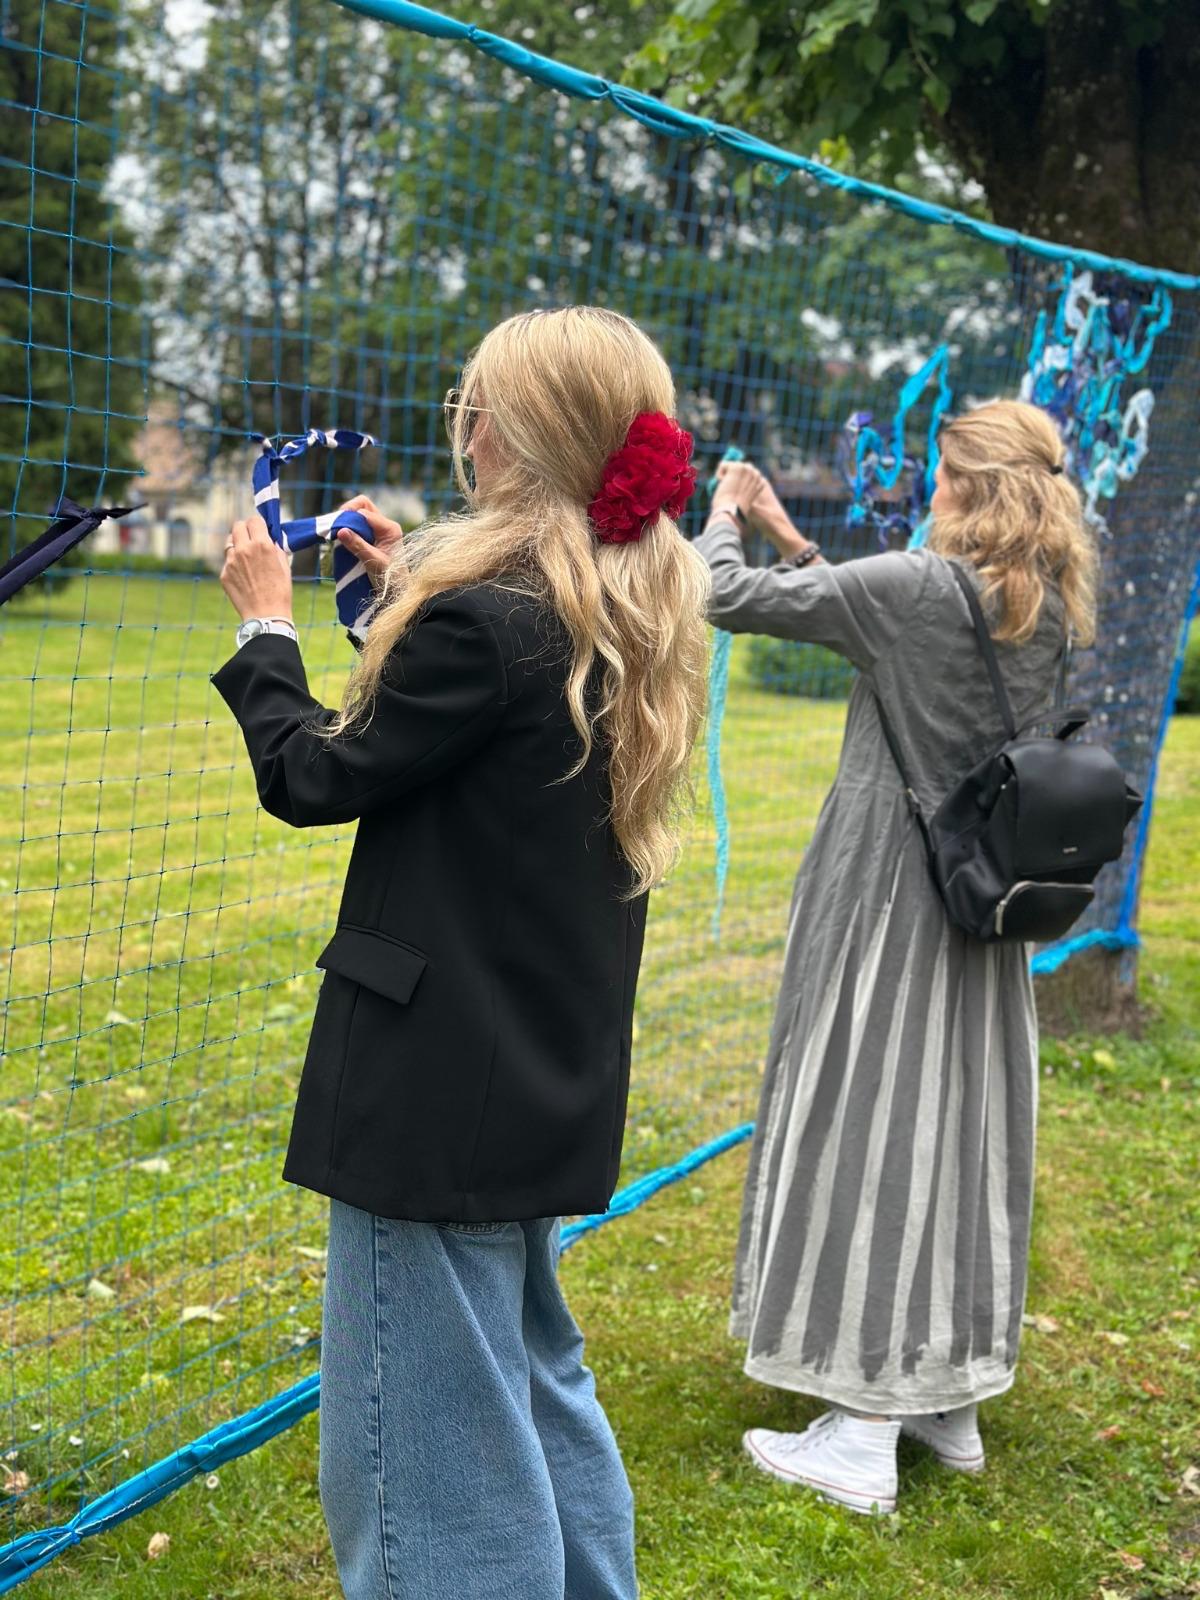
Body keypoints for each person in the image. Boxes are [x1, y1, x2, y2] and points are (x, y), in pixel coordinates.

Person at [210, 306, 711, 1599]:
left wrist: (265, 628)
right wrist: (396, 606)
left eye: (475, 409)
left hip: (432, 1096)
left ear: (512, 435)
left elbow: (315, 776)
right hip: (533, 1072)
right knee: (534, 1377)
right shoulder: (606, 611)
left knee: (425, 1452)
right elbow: (467, 738)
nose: (465, 431)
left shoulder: (488, 622)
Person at [695, 400, 1097, 1516]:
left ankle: (864, 1429)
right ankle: (945, 1398)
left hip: (888, 898)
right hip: (984, 906)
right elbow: (876, 622)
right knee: (957, 1127)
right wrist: (793, 535)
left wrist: (724, 516)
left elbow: (722, 596)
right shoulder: (1045, 602)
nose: (930, 487)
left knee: (867, 1120)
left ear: (964, 485)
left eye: (941, 472)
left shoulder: (917, 588)